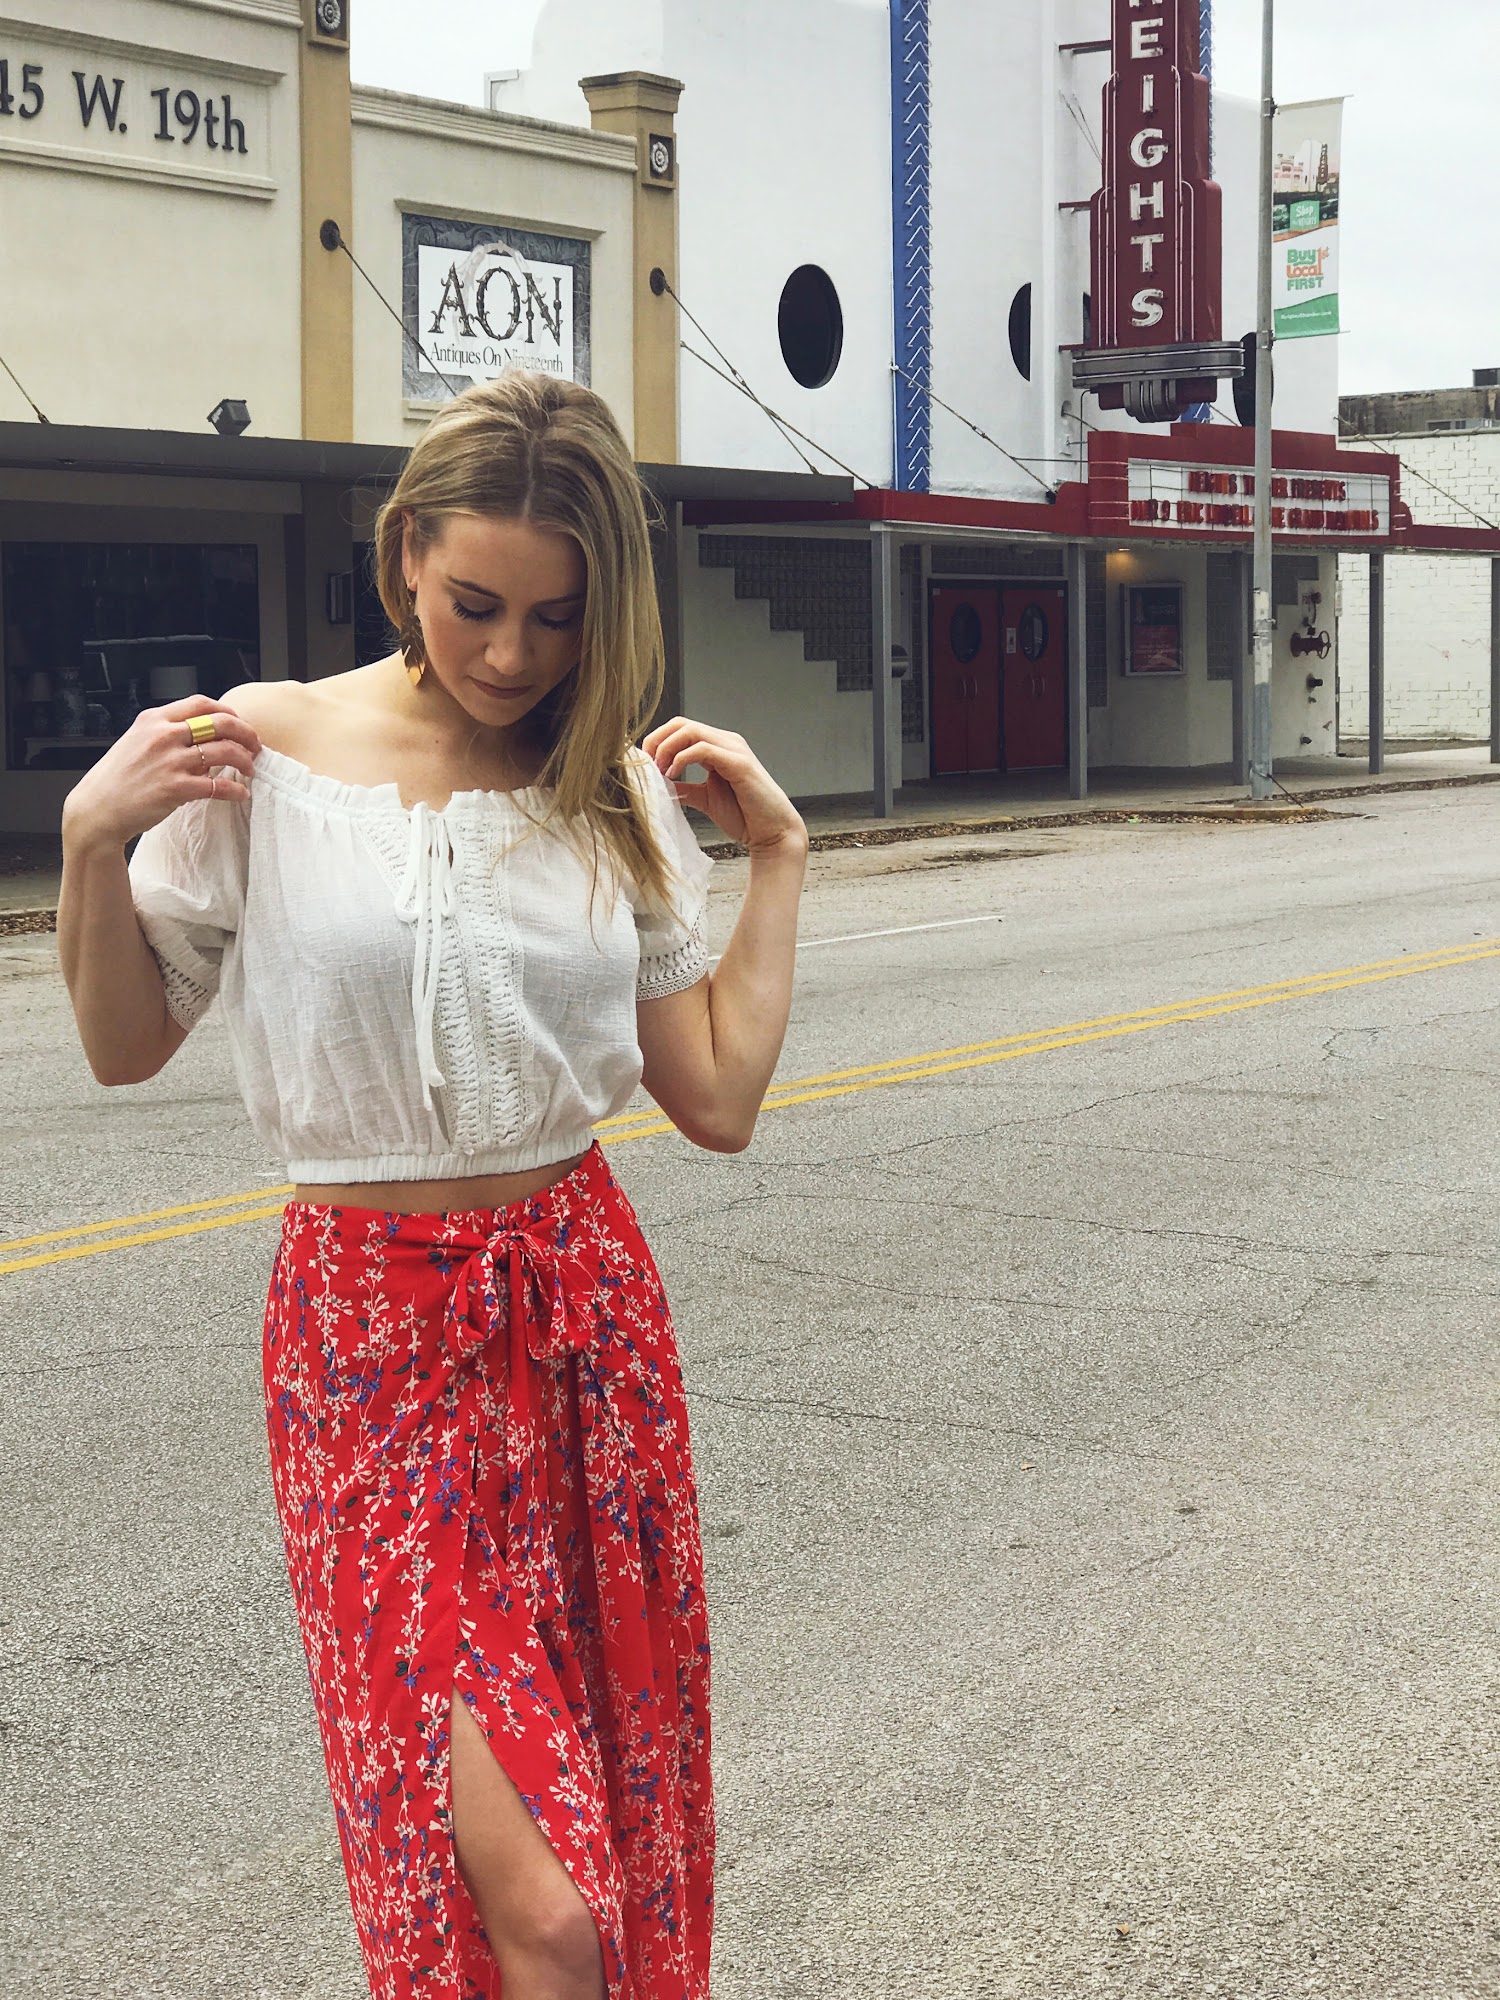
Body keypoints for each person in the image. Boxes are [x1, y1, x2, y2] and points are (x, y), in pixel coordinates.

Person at [57, 370, 808, 2000]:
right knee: (538, 1903)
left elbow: (719, 1099)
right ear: (405, 553)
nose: (512, 655)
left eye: (556, 617)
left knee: (605, 1859)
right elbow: (123, 1041)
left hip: (583, 1327)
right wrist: (89, 843)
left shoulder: (608, 787)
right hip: (368, 1345)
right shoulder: (260, 752)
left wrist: (781, 862)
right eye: (476, 604)